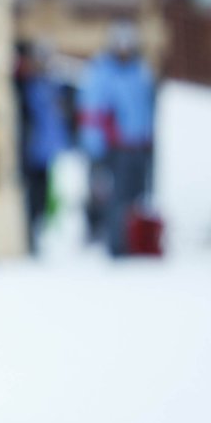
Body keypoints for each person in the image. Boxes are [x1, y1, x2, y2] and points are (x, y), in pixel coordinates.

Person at [77, 21, 155, 257]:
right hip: (114, 147)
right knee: (116, 198)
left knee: (137, 195)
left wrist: (148, 140)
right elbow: (92, 112)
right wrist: (95, 147)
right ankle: (116, 245)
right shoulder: (101, 72)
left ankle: (136, 241)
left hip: (138, 145)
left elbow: (147, 108)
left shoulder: (140, 71)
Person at [15, 41, 71, 255]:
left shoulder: (52, 85)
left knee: (43, 198)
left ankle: (37, 236)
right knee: (29, 197)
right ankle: (28, 239)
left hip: (46, 151)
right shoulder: (24, 86)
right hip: (28, 151)